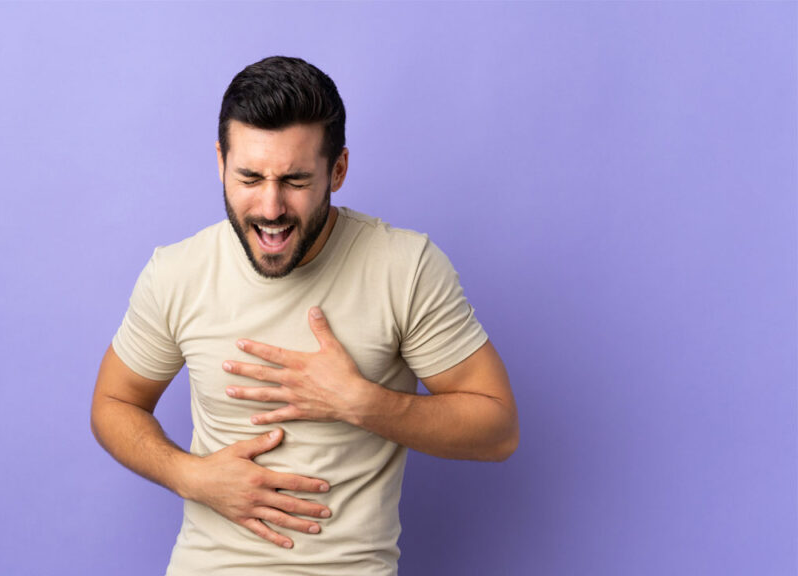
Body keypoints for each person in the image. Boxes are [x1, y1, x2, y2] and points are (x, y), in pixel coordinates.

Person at [90, 55, 519, 576]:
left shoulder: (405, 268)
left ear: (337, 170)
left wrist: (363, 403)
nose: (270, 207)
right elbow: (114, 403)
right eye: (249, 177)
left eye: (294, 179)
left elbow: (498, 431)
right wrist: (190, 476)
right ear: (221, 162)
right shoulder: (178, 272)